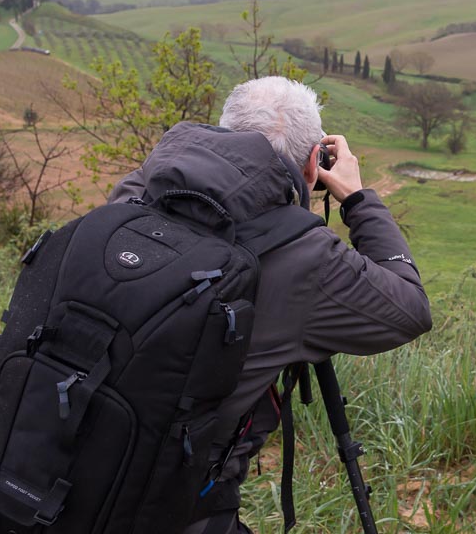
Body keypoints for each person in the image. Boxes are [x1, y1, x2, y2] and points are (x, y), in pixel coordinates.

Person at [107, 76, 432, 533]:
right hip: (169, 503)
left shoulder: (134, 196)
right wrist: (357, 199)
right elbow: (411, 308)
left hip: (64, 459)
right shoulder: (305, 257)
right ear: (312, 166)